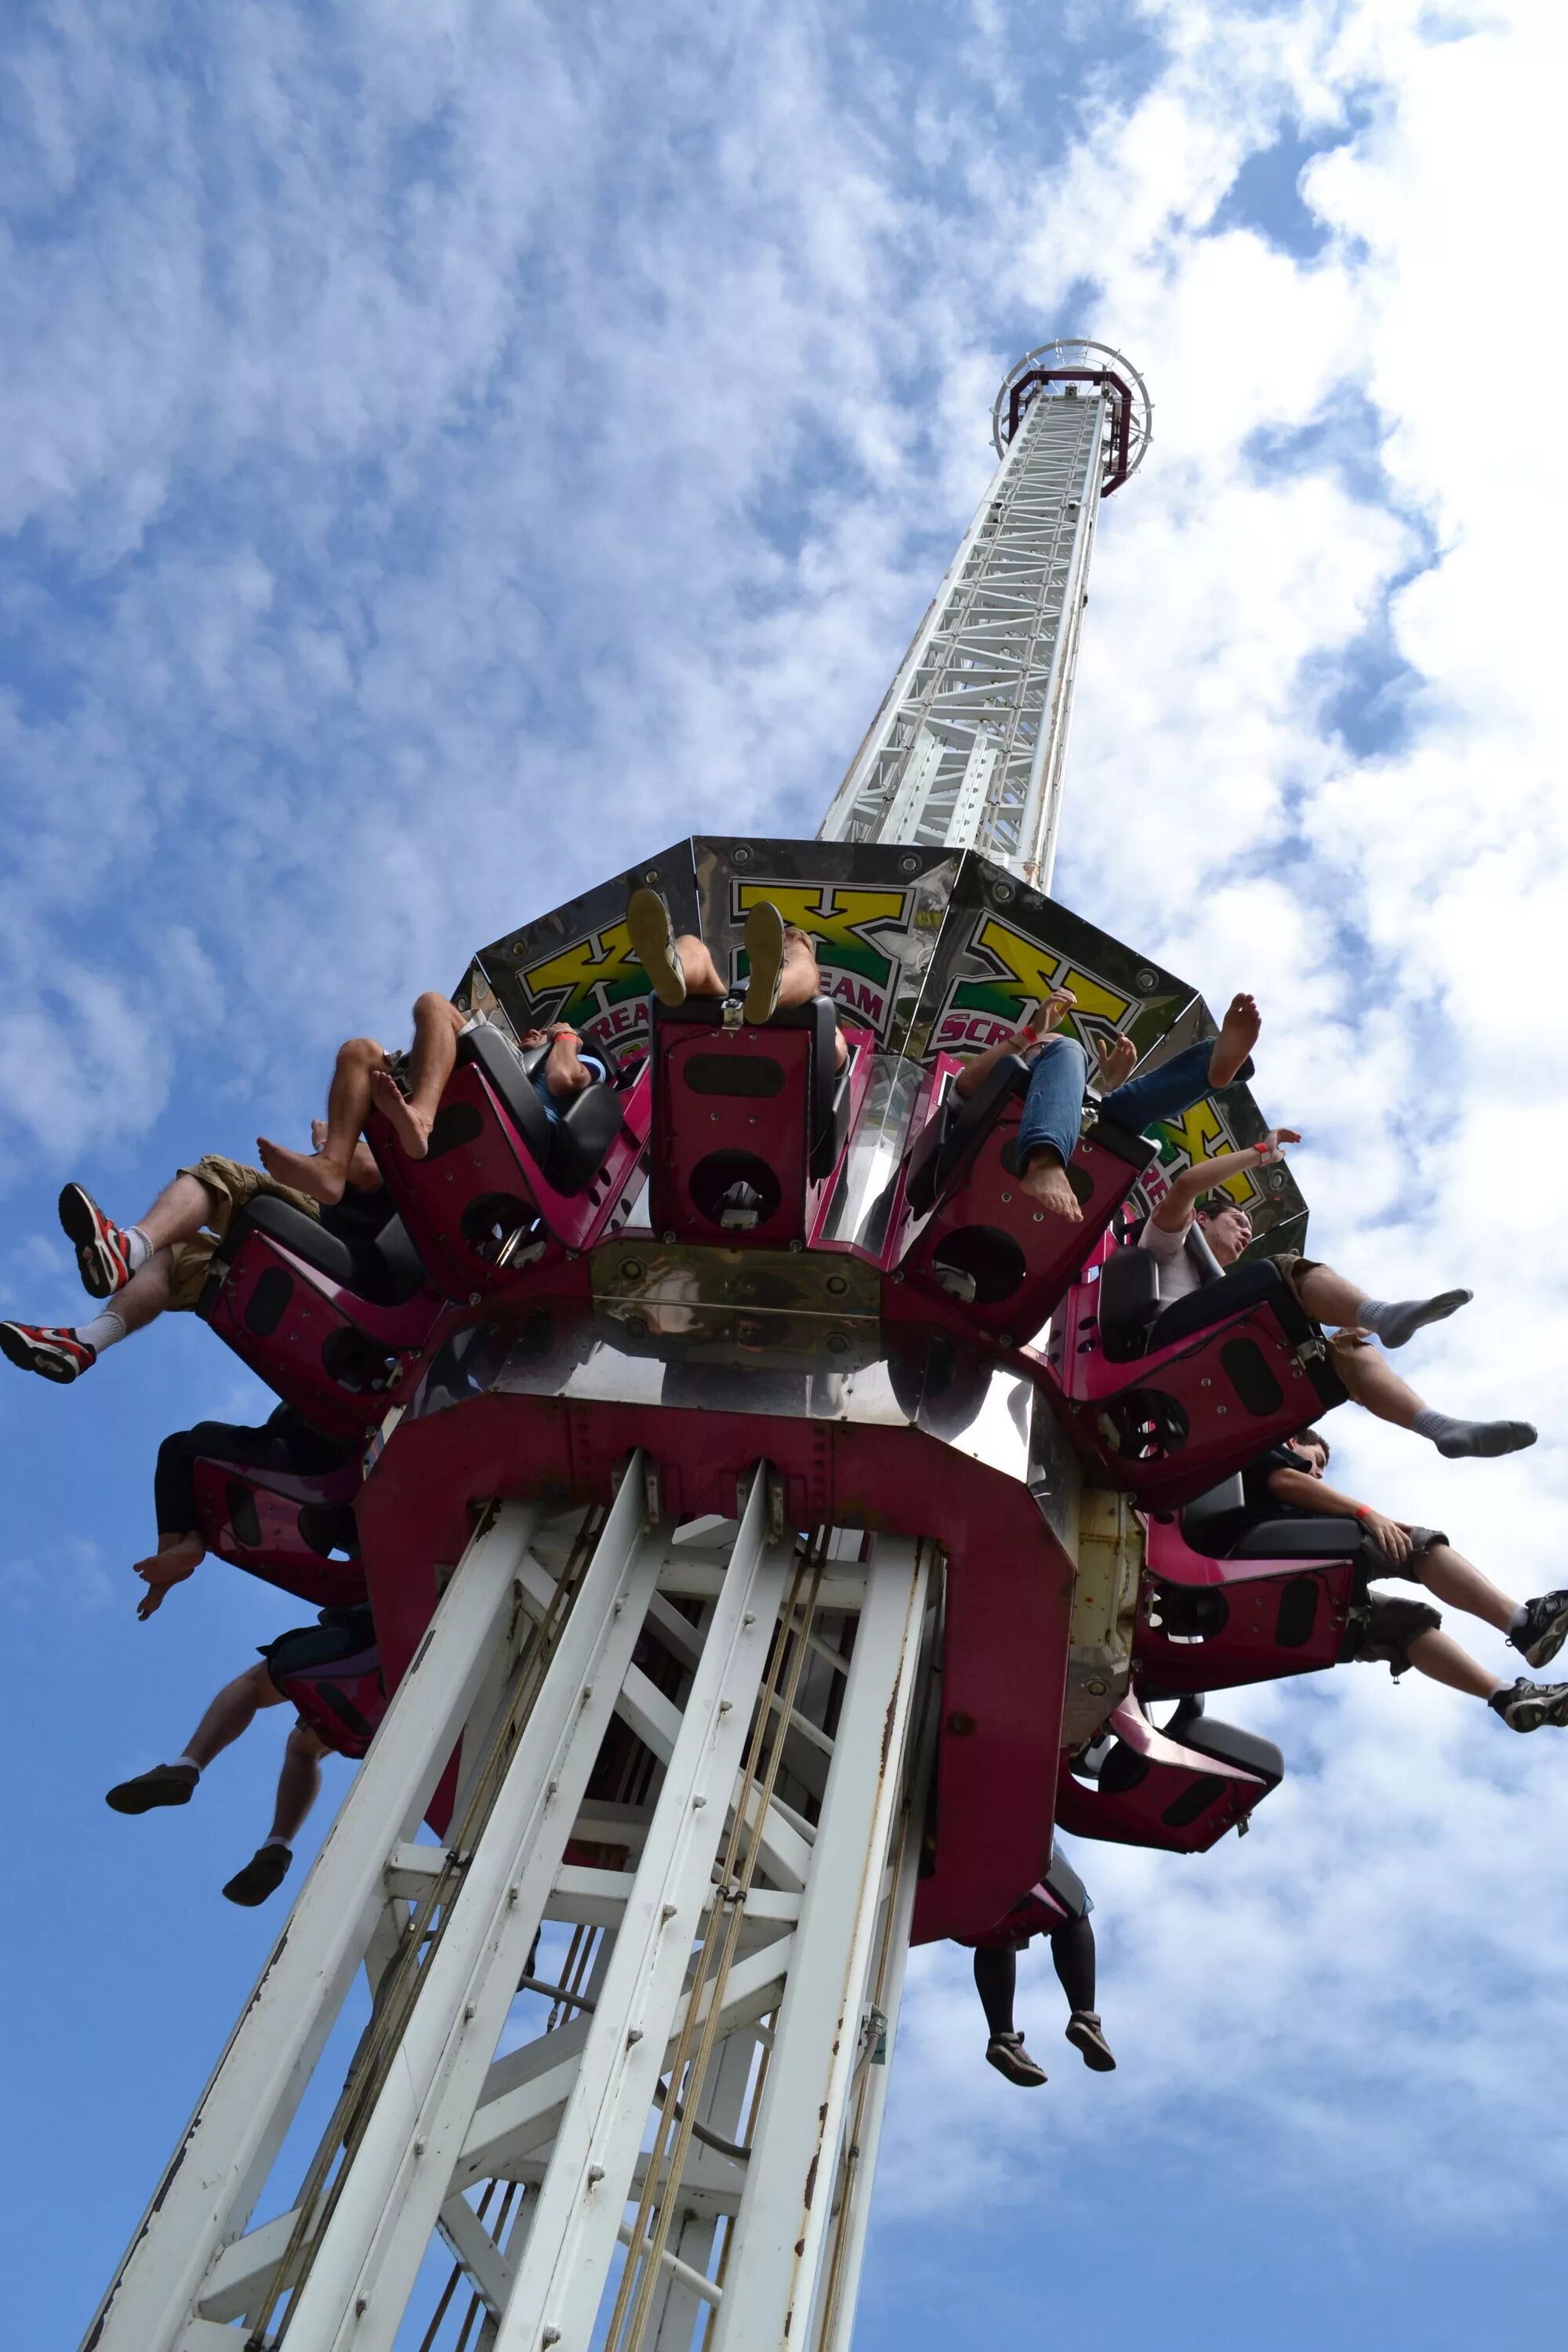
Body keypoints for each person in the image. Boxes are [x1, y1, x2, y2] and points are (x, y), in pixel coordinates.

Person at [1135, 1155, 1534, 1461]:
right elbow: (1187, 1183)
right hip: (1163, 1352)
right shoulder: (1170, 1242)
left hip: (1218, 1380)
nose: (1245, 1232)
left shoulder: (1226, 1290)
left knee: (1348, 1348)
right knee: (1283, 1268)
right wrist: (1260, 1153)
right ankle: (1380, 1315)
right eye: (1239, 1221)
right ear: (1202, 1218)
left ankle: (1440, 1428)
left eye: (1249, 1229)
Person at [0, 1134, 392, 1385]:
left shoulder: (394, 1158)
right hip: (330, 1242)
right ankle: (88, 1341)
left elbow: (367, 1166)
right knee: (169, 1252)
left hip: (349, 1247)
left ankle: (128, 1247)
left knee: (221, 1175)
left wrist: (331, 1144)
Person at [1244, 1429, 1568, 1731]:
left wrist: (1386, 1524)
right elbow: (1283, 1481)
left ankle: (1506, 1695)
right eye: (1318, 1461)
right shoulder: (1264, 1457)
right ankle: (1525, 1624)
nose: (1319, 1472)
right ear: (1292, 1444)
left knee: (1406, 1624)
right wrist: (1368, 1514)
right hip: (1261, 1554)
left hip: (1270, 1598)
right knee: (1418, 1545)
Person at [103, 1604, 379, 1905]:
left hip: (368, 1644)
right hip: (391, 1692)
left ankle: (187, 1766)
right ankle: (276, 1845)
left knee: (254, 1683)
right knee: (302, 1747)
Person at [952, 989, 1264, 1221]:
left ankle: (1211, 1069)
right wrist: (1033, 1034)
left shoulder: (1067, 1102)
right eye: (1041, 1052)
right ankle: (1044, 1160)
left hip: (1082, 1161)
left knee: (1129, 1107)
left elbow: (1100, 1121)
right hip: (998, 1144)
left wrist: (1113, 1085)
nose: (1044, 1052)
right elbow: (965, 1085)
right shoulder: (1015, 1076)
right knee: (1070, 1048)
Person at [136, 1405, 361, 1620]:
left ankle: (184, 1549)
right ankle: (190, 1545)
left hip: (311, 1486)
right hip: (312, 1494)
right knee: (185, 1452)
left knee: (178, 1446)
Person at [256, 991, 466, 1203]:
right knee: (358, 1051)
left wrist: (322, 1141)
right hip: (425, 1091)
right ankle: (333, 1166)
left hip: (478, 1064)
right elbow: (370, 1170)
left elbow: (369, 1170)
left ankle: (421, 1117)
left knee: (432, 1004)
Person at [626, 890, 849, 1069]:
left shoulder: (820, 1006)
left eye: (786, 941)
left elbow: (837, 1053)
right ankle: (675, 969)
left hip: (780, 1039)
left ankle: (775, 992)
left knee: (803, 963)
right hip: (732, 1022)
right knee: (695, 947)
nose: (785, 942)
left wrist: (799, 947)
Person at [971, 1846, 1115, 2088]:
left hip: (947, 1842)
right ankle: (1085, 2017)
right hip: (1012, 1822)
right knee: (1073, 1903)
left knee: (996, 1923)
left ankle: (1003, 2037)